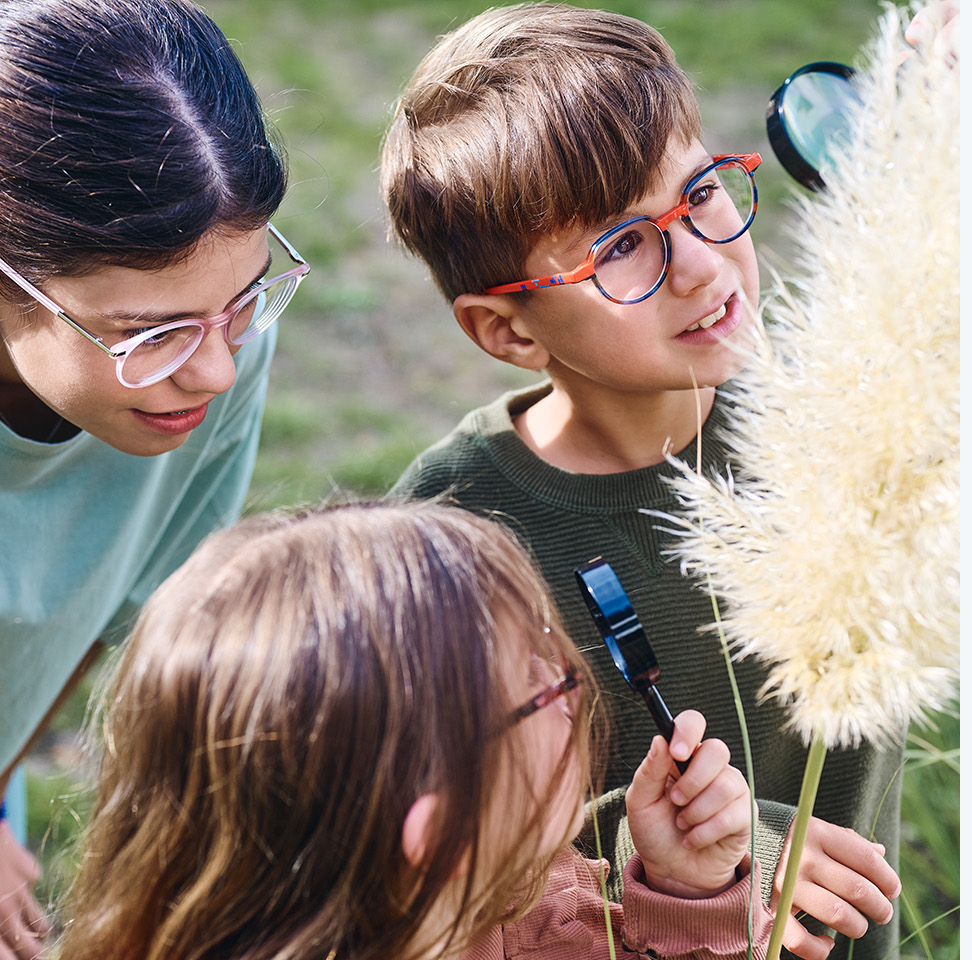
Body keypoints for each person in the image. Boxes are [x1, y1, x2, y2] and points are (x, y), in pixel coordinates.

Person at [379, 6, 900, 958]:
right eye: (620, 246)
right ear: (508, 331)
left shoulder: (845, 410)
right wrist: (696, 854)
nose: (701, 265)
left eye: (700, 191)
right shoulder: (452, 535)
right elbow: (445, 865)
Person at [55, 500, 773, 960]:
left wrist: (687, 894)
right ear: (444, 839)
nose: (575, 679)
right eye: (540, 686)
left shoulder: (522, 899)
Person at [0, 1, 307, 956]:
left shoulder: (211, 359)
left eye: (244, 299)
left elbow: (116, 606)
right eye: (151, 332)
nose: (215, 368)